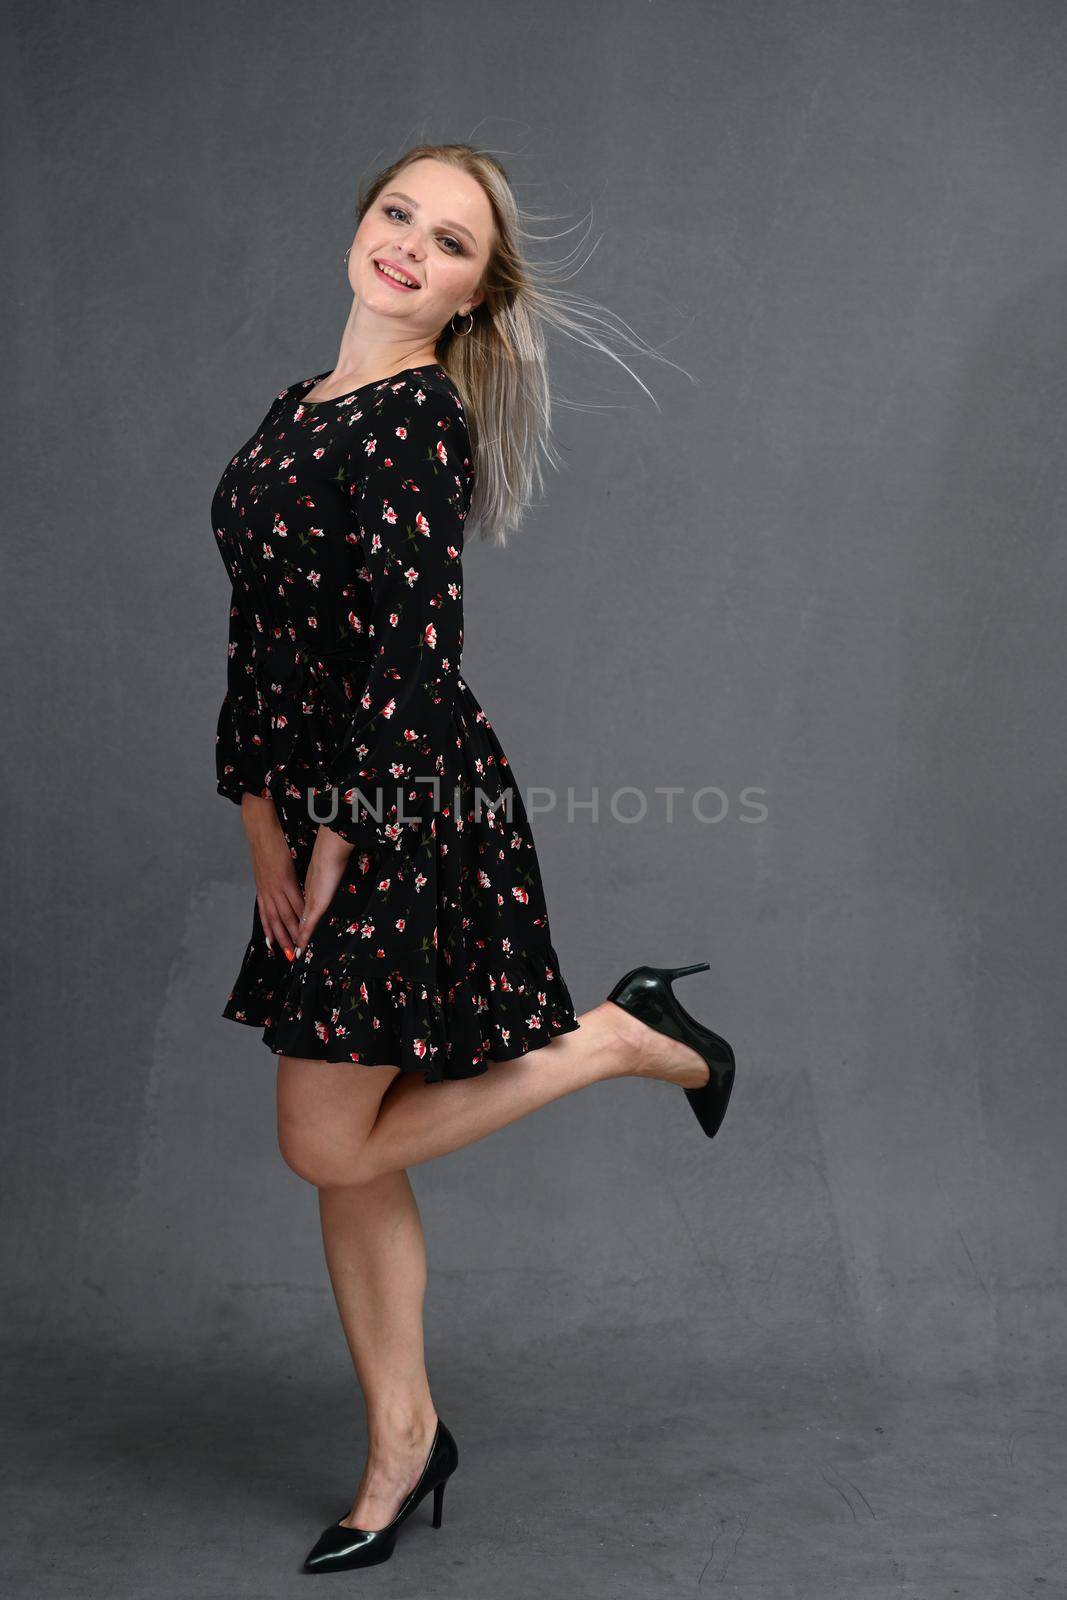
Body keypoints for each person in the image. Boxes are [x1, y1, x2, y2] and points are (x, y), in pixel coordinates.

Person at [210, 143, 736, 1574]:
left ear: (467, 296)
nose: (408, 247)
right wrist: (256, 813)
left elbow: (411, 655)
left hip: (401, 808)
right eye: (398, 214)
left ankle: (616, 1041)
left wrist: (337, 838)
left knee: (324, 1135)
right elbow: (261, 640)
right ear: (360, 225)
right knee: (353, 1160)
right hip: (317, 804)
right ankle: (402, 1441)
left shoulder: (414, 422)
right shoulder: (293, 417)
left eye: (447, 243)